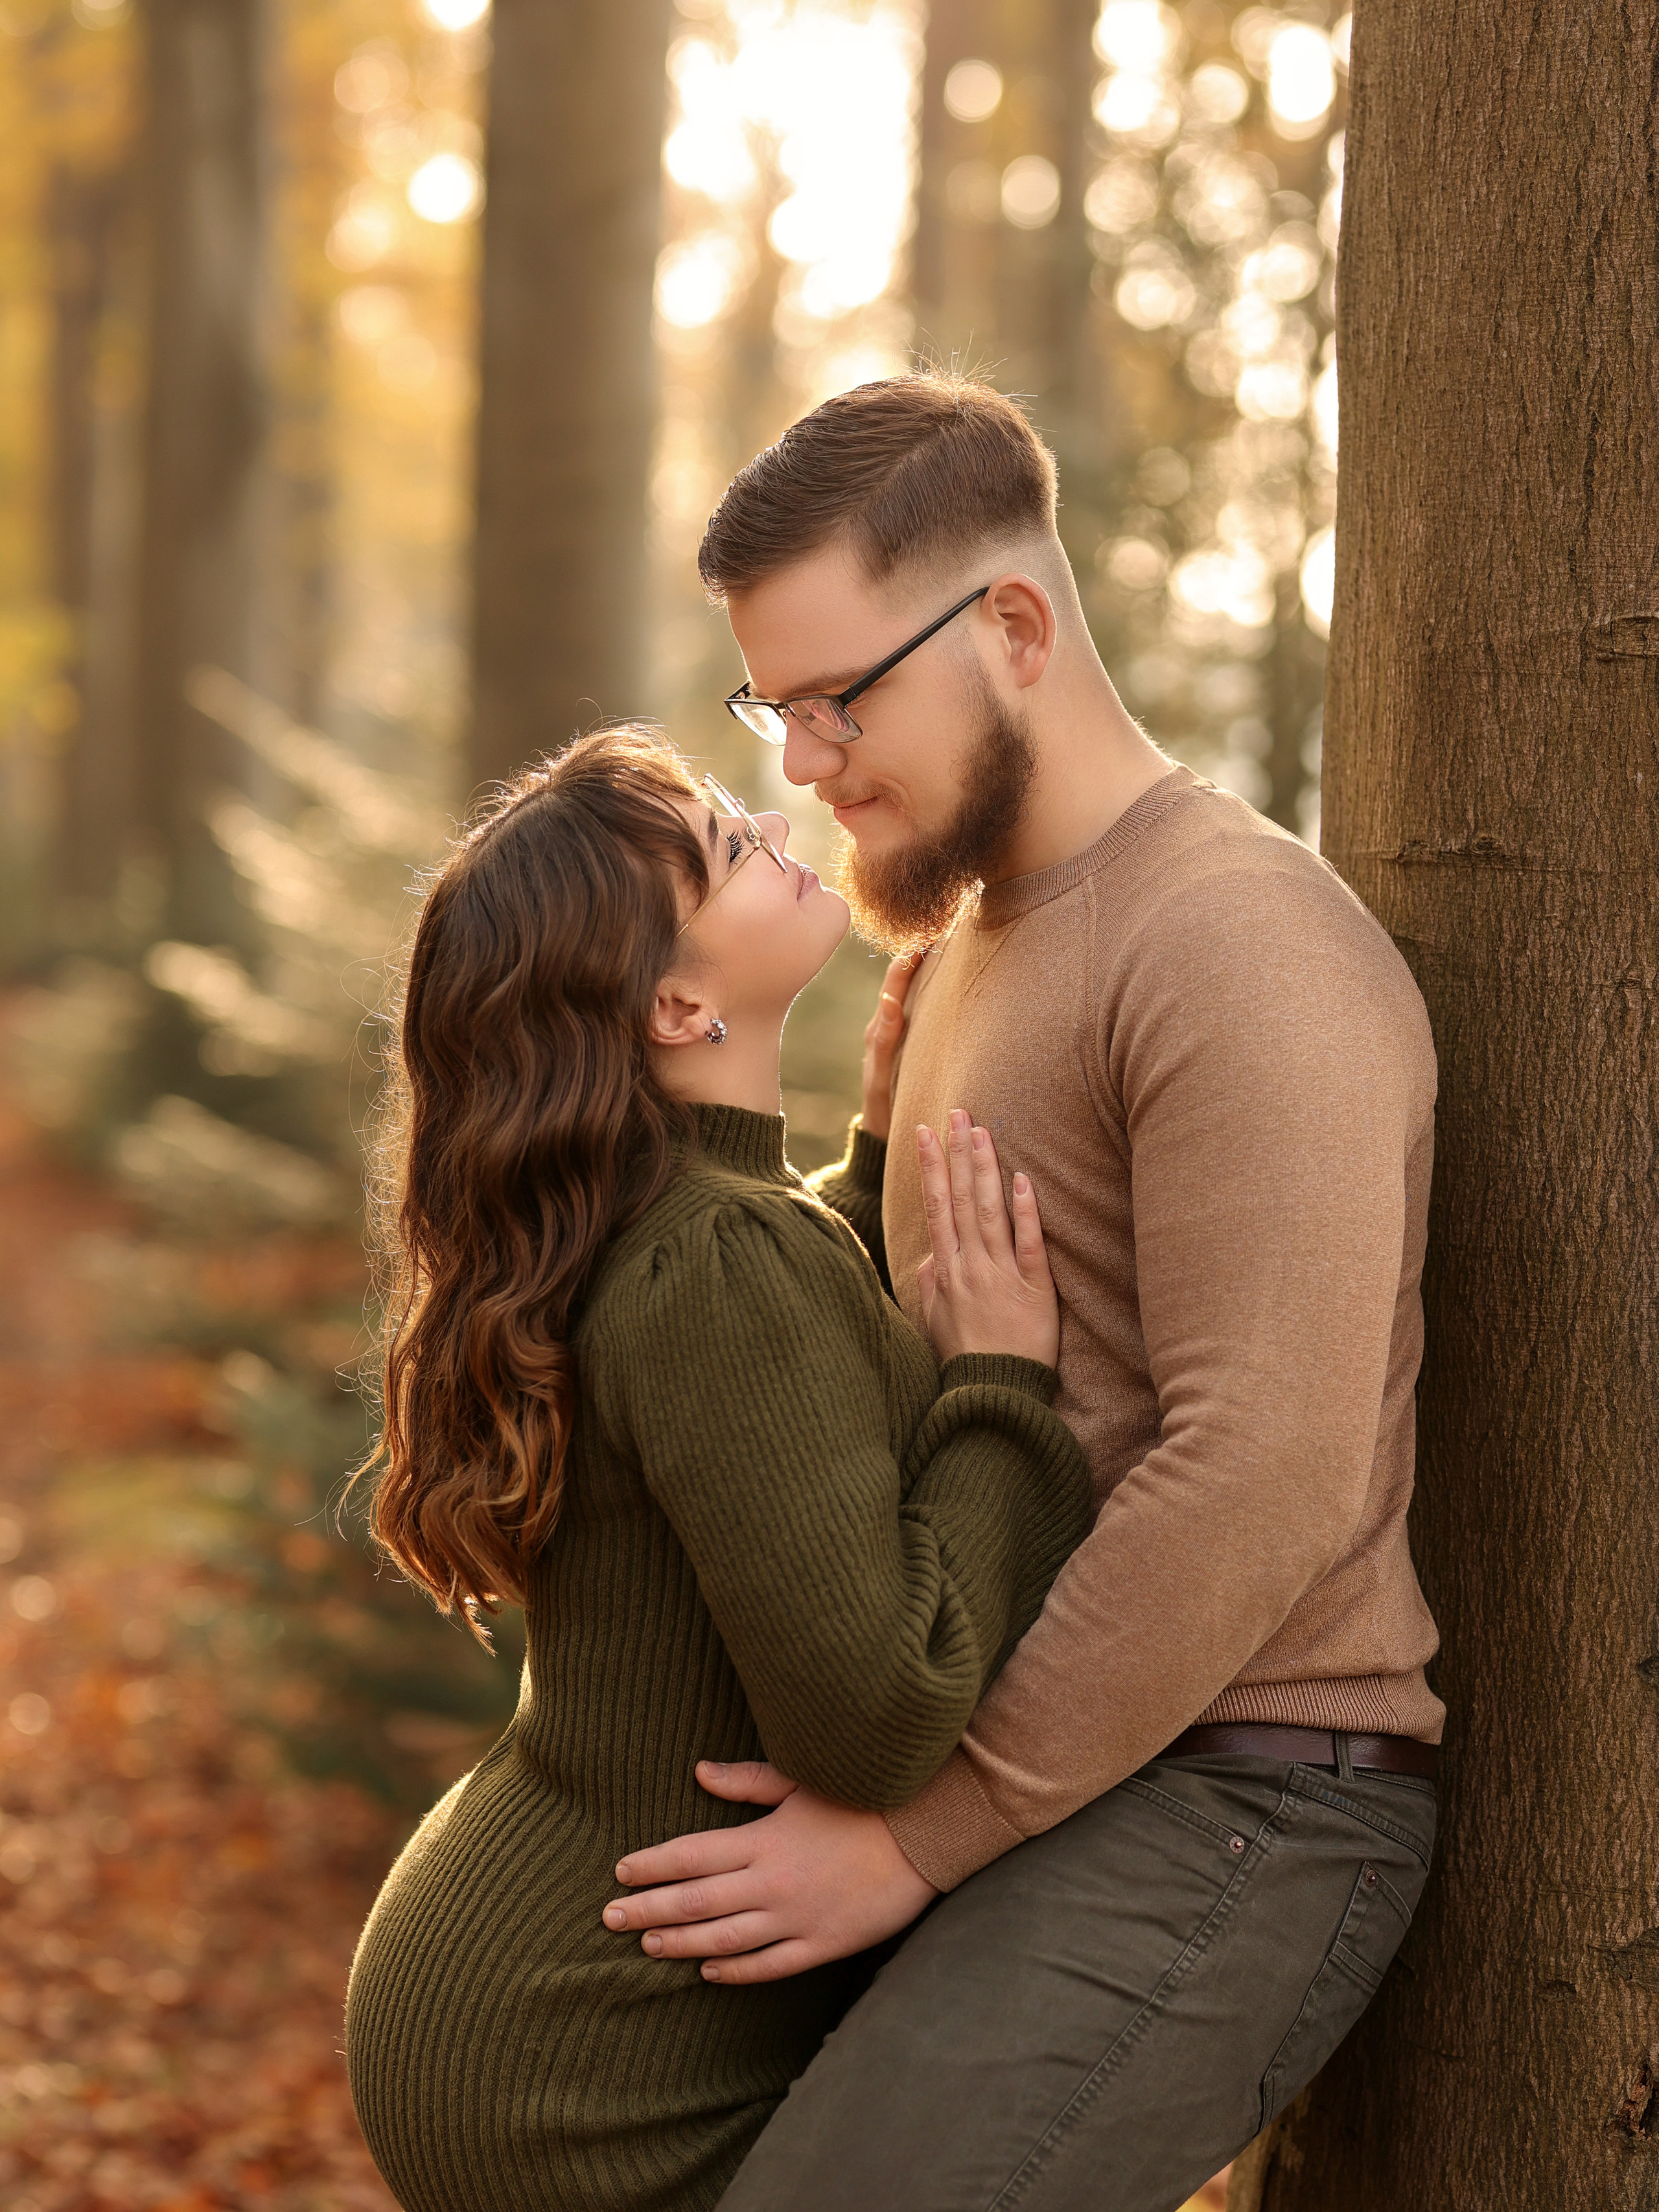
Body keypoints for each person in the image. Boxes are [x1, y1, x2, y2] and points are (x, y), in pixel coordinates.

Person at [599, 373, 1444, 2211]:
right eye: (778, 706)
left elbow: (1266, 1466)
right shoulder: (975, 938)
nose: (805, 763)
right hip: (1044, 1770)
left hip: (1241, 1798)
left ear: (1014, 625)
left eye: (840, 699)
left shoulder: (1238, 936)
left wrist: (926, 1823)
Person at [343, 725, 1093, 2212]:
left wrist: (872, 1169)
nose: (775, 813)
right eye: (729, 847)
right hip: (591, 2081)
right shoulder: (714, 1254)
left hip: (527, 2004)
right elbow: (874, 1719)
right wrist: (1004, 1389)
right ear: (679, 1001)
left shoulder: (676, 1219)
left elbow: (765, 1382)